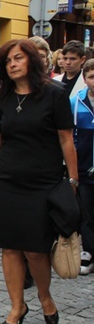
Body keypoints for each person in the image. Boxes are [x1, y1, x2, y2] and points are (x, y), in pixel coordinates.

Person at [0, 39, 77, 324]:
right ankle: (17, 306)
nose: (12, 64)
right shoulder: (0, 98)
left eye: (18, 58)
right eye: (8, 60)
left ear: (32, 60)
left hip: (43, 181)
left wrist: (72, 180)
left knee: (35, 249)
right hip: (9, 181)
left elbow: (65, 139)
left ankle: (45, 297)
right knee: (9, 247)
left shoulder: (54, 95)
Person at [71, 58, 94, 274]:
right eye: (91, 77)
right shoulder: (76, 101)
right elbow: (69, 135)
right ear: (85, 79)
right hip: (85, 164)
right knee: (86, 211)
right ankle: (88, 250)